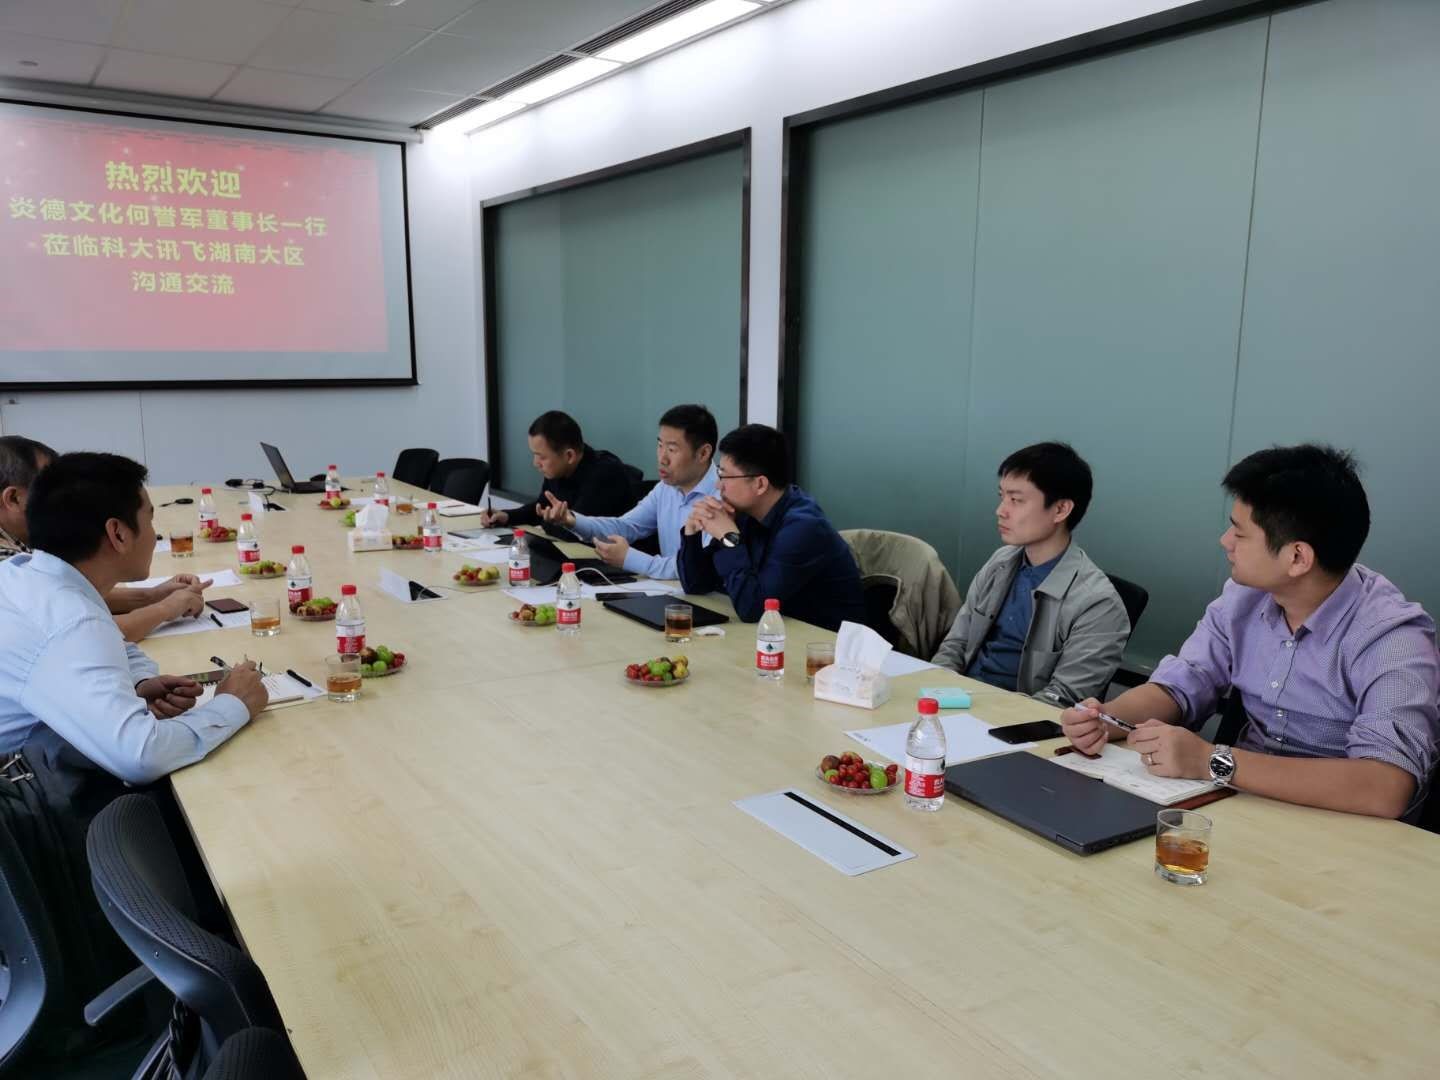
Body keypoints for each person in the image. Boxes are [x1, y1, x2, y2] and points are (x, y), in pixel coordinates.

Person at [1060, 444, 1440, 820]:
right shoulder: (1245, 597)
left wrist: (1214, 761)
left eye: (1240, 534)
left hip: (1344, 829)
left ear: (1297, 557)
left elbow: (1385, 786)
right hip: (1244, 805)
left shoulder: (1392, 639)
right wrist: (1107, 718)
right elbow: (1183, 683)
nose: (1225, 542)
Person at [0, 451, 267, 782]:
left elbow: (105, 642)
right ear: (118, 534)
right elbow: (141, 756)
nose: (154, 535)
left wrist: (138, 682)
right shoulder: (69, 621)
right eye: (150, 520)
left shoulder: (27, 575)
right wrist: (233, 704)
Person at [932, 442, 1128, 706]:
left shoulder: (1099, 604)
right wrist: (935, 693)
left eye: (1016, 500)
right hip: (954, 703)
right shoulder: (1000, 562)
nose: (1001, 510)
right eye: (1002, 496)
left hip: (1016, 721)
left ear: (1060, 510)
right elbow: (955, 645)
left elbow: (1062, 700)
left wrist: (983, 714)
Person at [0, 434, 209, 640]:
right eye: (45, 485)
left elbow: (72, 592)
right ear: (13, 498)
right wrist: (165, 608)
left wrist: (152, 596)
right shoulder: (8, 565)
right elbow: (84, 630)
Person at [677, 423, 864, 632]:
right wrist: (691, 533)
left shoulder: (804, 527)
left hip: (825, 642)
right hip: (778, 633)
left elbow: (753, 608)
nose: (718, 486)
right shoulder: (746, 513)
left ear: (760, 484)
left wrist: (729, 537)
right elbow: (696, 585)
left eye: (724, 476)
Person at [535, 404, 720, 579]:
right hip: (670, 590)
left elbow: (696, 567)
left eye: (672, 449)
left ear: (703, 453)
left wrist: (630, 559)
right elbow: (626, 526)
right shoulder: (666, 488)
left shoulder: (722, 496)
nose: (662, 458)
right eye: (660, 446)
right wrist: (572, 521)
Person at [479, 411, 634, 529]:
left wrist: (547, 522)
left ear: (569, 456)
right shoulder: (559, 468)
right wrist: (506, 516)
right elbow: (541, 508)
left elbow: (573, 529)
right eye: (534, 455)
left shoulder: (604, 474)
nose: (536, 463)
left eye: (541, 457)